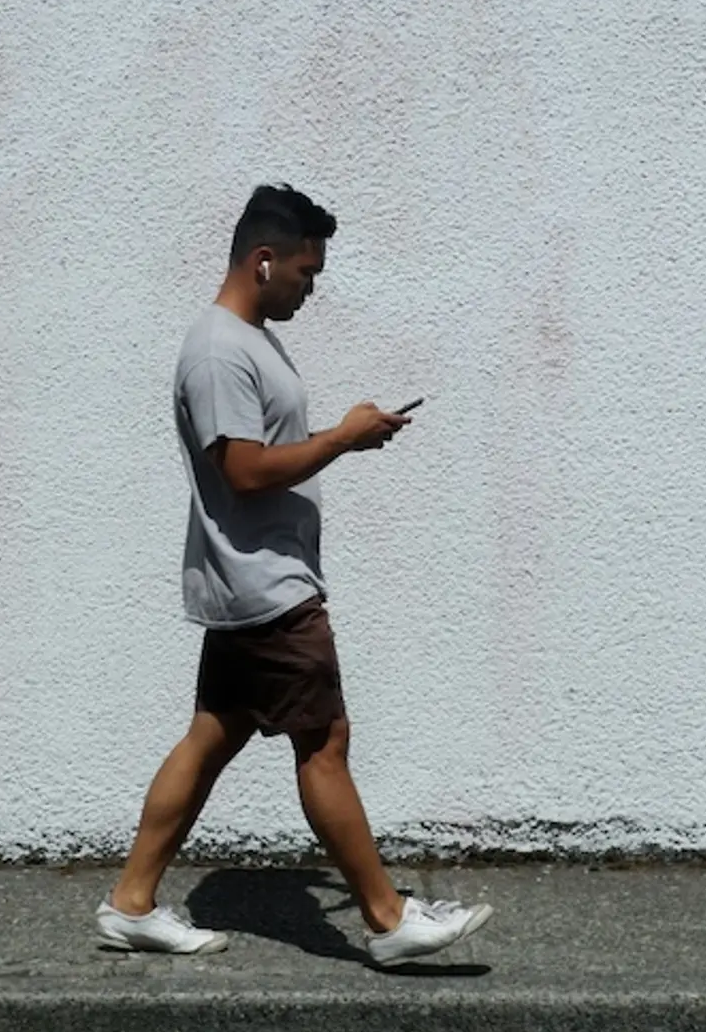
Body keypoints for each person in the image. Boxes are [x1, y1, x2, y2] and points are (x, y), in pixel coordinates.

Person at [95, 183, 492, 967]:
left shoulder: (246, 340)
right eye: (307, 272)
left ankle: (130, 904)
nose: (311, 288)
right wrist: (341, 439)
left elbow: (263, 450)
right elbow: (244, 471)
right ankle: (388, 919)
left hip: (251, 581)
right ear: (264, 260)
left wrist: (346, 434)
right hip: (268, 587)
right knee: (324, 740)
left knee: (212, 737)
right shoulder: (219, 350)